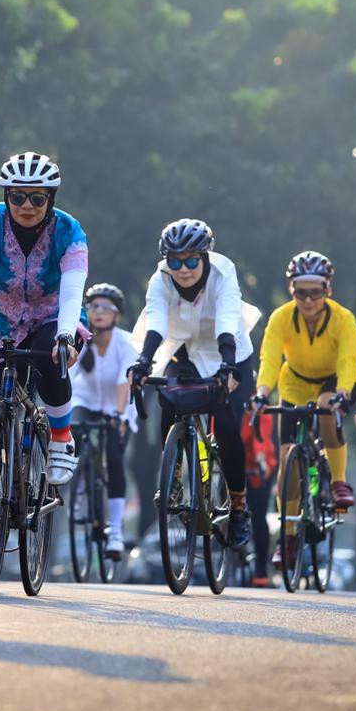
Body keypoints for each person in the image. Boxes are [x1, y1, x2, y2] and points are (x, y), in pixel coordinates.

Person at [0, 153, 88, 562]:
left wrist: (66, 335)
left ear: (51, 200)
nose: (27, 206)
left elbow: (74, 289)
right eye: (18, 197)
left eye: (37, 199)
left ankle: (61, 437)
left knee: (51, 355)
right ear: (6, 196)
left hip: (52, 315)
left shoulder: (70, 231)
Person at [127, 218, 259, 550]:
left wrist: (228, 367)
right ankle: (172, 478)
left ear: (205, 257)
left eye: (190, 261)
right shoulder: (160, 279)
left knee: (227, 426)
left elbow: (228, 320)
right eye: (175, 261)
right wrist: (144, 360)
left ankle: (239, 509)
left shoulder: (223, 273)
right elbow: (155, 319)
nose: (182, 269)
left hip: (228, 351)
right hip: (182, 349)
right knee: (170, 399)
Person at [251, 251, 356, 569]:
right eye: (301, 292)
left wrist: (342, 393)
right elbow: (270, 359)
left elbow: (347, 360)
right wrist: (261, 393)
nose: (309, 300)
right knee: (288, 464)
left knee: (328, 408)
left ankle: (338, 482)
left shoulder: (344, 319)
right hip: (295, 382)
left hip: (336, 381)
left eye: (316, 291)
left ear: (328, 290)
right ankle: (287, 539)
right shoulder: (281, 318)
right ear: (292, 291)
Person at [69, 282, 139, 559]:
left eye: (105, 308)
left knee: (115, 458)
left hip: (116, 407)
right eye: (93, 306)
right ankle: (81, 483)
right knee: (72, 433)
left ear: (117, 315)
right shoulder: (81, 339)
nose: (98, 312)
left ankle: (117, 533)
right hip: (85, 402)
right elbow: (70, 376)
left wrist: (120, 416)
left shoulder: (127, 343)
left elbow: (125, 382)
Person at [241, 408, 277, 586]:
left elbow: (260, 439)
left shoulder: (260, 410)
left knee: (258, 517)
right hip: (237, 466)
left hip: (260, 468)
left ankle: (261, 569)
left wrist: (261, 461)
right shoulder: (230, 405)